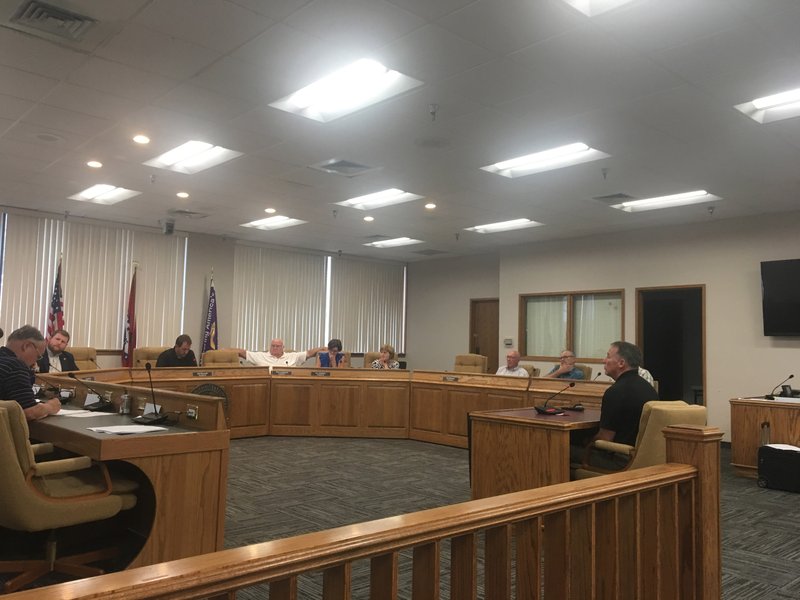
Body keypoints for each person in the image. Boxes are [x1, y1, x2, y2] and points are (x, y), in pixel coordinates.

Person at [573, 341, 659, 471]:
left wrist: (587, 442)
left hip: (620, 461)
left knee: (562, 448)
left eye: (608, 356)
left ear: (621, 363)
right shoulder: (649, 388)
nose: (604, 360)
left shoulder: (616, 392)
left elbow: (605, 439)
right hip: (643, 460)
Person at [1, 325, 61, 421]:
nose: (35, 362)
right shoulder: (15, 366)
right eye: (38, 356)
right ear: (26, 346)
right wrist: (50, 407)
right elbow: (28, 412)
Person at [235, 339, 325, 367]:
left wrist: (325, 348)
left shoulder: (293, 356)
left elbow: (309, 353)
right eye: (273, 346)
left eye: (277, 346)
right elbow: (242, 352)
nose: (274, 348)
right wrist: (224, 351)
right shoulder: (260, 356)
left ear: (283, 348)